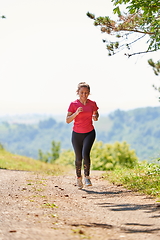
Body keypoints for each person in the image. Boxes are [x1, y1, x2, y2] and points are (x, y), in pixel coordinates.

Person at [66, 82, 99, 189]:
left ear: (89, 93)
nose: (84, 94)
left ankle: (87, 177)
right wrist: (76, 113)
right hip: (76, 134)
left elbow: (96, 114)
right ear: (78, 92)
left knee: (86, 154)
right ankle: (79, 178)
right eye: (82, 92)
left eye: (86, 92)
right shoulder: (73, 104)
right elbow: (67, 120)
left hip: (89, 132)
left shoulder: (92, 103)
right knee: (79, 158)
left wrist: (95, 116)